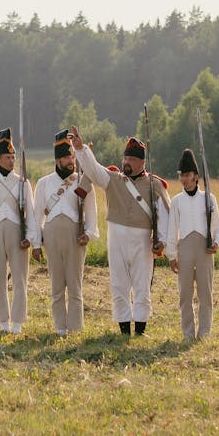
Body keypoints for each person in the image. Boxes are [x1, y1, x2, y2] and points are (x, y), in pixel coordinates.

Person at [70, 126, 170, 336]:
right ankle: (124, 327)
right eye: (125, 158)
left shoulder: (154, 185)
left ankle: (140, 328)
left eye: (131, 160)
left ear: (142, 162)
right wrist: (80, 149)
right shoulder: (113, 180)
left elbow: (164, 216)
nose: (126, 162)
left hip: (142, 239)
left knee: (142, 286)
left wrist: (162, 240)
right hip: (116, 237)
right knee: (119, 284)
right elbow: (93, 169)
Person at [32, 129, 99, 336]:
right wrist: (36, 243)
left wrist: (88, 233)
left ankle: (76, 328)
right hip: (51, 236)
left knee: (75, 284)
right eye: (66, 157)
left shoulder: (83, 181)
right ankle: (60, 328)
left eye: (72, 156)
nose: (71, 161)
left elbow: (91, 213)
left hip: (74, 236)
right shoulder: (43, 183)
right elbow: (37, 217)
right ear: (57, 160)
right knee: (57, 285)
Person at [0, 127, 38, 334]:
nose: (11, 161)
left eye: (13, 157)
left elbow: (31, 212)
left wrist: (30, 237)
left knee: (20, 278)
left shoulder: (23, 183)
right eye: (7, 157)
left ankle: (18, 322)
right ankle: (3, 321)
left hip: (17, 233)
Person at [166, 148, 219, 340]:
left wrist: (216, 243)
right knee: (185, 294)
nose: (184, 179)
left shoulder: (209, 199)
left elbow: (218, 226)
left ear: (196, 176)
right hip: (184, 250)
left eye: (187, 175)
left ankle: (205, 332)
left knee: (205, 294)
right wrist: (171, 255)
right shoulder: (176, 201)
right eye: (181, 175)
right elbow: (172, 229)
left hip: (204, 250)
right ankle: (188, 333)